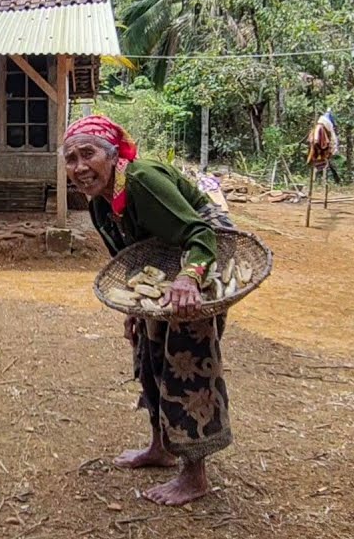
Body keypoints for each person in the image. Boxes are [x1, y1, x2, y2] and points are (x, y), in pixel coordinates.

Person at [61, 115, 234, 506]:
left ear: (112, 155)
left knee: (186, 359)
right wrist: (135, 310)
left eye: (88, 154)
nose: (80, 167)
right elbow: (130, 258)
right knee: (147, 352)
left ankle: (194, 474)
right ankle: (161, 447)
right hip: (161, 265)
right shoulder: (100, 203)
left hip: (202, 252)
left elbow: (200, 232)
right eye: (71, 159)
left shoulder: (141, 180)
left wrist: (189, 279)